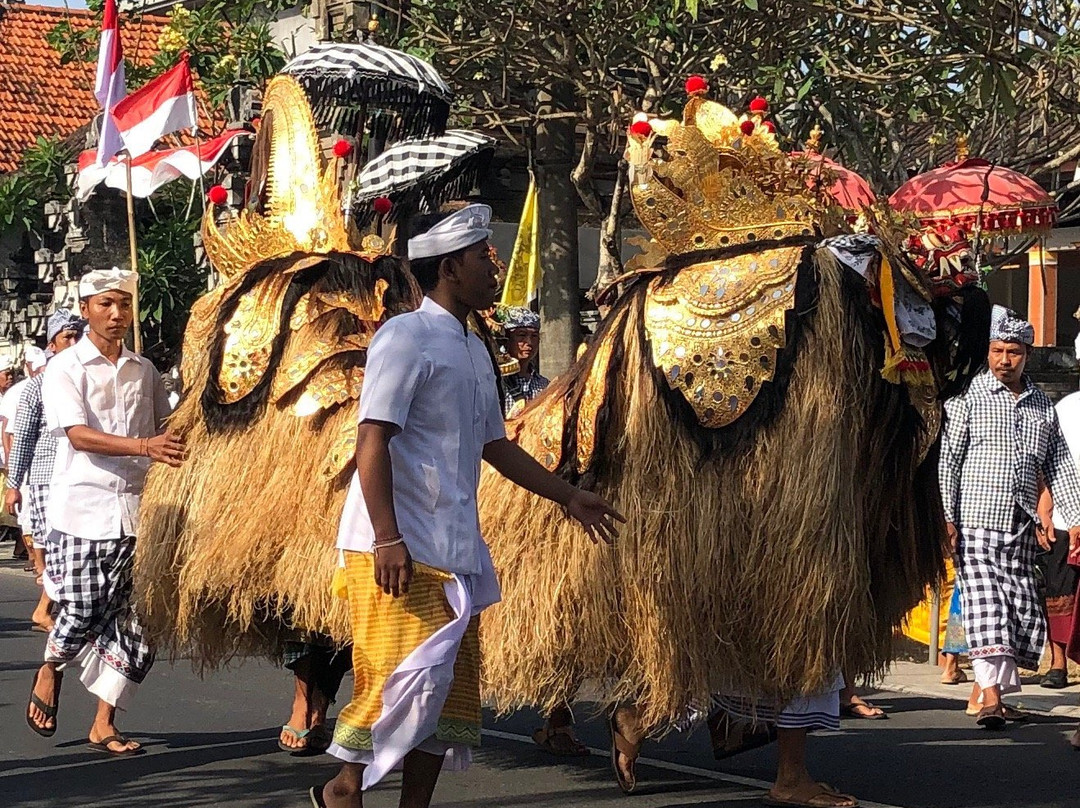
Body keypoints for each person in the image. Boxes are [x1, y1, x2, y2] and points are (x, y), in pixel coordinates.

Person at [314, 205, 622, 808]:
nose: (495, 265)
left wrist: (568, 496)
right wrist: (387, 538)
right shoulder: (404, 336)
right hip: (395, 542)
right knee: (394, 682)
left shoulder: (477, 349)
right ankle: (343, 790)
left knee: (445, 692)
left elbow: (495, 446)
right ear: (451, 268)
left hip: (455, 547)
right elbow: (372, 438)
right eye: (484, 256)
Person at [25, 267, 184, 756]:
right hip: (82, 508)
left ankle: (103, 722)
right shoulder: (65, 368)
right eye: (105, 305)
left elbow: (167, 425)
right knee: (84, 609)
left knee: (139, 624)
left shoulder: (145, 369)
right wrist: (144, 445)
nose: (117, 315)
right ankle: (52, 665)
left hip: (138, 510)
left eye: (124, 305)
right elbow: (76, 434)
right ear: (86, 308)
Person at [939, 305, 1080, 728]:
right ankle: (991, 700)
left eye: (1014, 352)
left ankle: (991, 694)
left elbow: (1059, 465)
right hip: (976, 522)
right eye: (998, 350)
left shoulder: (1041, 404)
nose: (1005, 360)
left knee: (1022, 612)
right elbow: (948, 460)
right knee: (988, 610)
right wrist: (946, 517)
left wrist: (1073, 518)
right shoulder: (968, 397)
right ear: (988, 352)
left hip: (1021, 529)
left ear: (1027, 354)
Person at [5, 310, 84, 632]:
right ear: (52, 344)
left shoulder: (85, 378)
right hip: (46, 480)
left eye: (79, 336)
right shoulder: (37, 386)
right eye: (68, 337)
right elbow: (20, 437)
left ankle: (57, 610)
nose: (76, 342)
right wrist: (14, 484)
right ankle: (45, 609)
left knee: (76, 547)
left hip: (81, 475)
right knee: (57, 547)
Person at [1035, 387, 1080, 689]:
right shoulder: (1065, 408)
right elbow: (1050, 465)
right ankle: (1058, 663)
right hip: (1066, 517)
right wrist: (1045, 509)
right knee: (1057, 590)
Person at [1, 349, 46, 569]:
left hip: (51, 466)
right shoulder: (23, 391)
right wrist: (13, 471)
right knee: (27, 515)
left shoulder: (62, 379)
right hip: (27, 466)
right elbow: (11, 432)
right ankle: (35, 560)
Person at [500, 306, 549, 419]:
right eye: (521, 335)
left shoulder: (545, 385)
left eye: (534, 336)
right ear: (506, 339)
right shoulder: (494, 382)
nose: (529, 342)